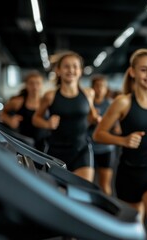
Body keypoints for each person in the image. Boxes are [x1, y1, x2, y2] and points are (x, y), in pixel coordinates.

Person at [93, 48, 147, 240]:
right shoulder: (123, 102)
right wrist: (123, 140)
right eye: (144, 70)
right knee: (133, 236)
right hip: (128, 175)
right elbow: (98, 134)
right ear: (133, 72)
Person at [33, 51, 100, 182]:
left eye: (75, 66)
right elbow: (36, 119)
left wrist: (96, 119)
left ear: (80, 71)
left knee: (83, 191)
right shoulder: (50, 96)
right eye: (66, 66)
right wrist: (47, 124)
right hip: (56, 151)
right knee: (59, 194)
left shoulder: (88, 93)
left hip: (81, 149)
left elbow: (92, 114)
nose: (71, 70)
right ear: (58, 70)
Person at [0, 70, 49, 151]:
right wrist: (10, 120)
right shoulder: (18, 102)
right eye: (31, 83)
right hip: (22, 143)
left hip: (42, 145)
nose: (35, 86)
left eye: (38, 83)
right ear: (26, 85)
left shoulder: (46, 102)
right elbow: (2, 114)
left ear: (42, 85)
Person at [88, 74, 116, 195]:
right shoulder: (87, 103)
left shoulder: (111, 104)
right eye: (97, 86)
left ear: (106, 89)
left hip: (106, 148)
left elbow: (116, 126)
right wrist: (90, 120)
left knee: (105, 185)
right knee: (88, 183)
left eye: (102, 86)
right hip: (89, 147)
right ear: (92, 88)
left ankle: (107, 212)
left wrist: (103, 123)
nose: (100, 89)